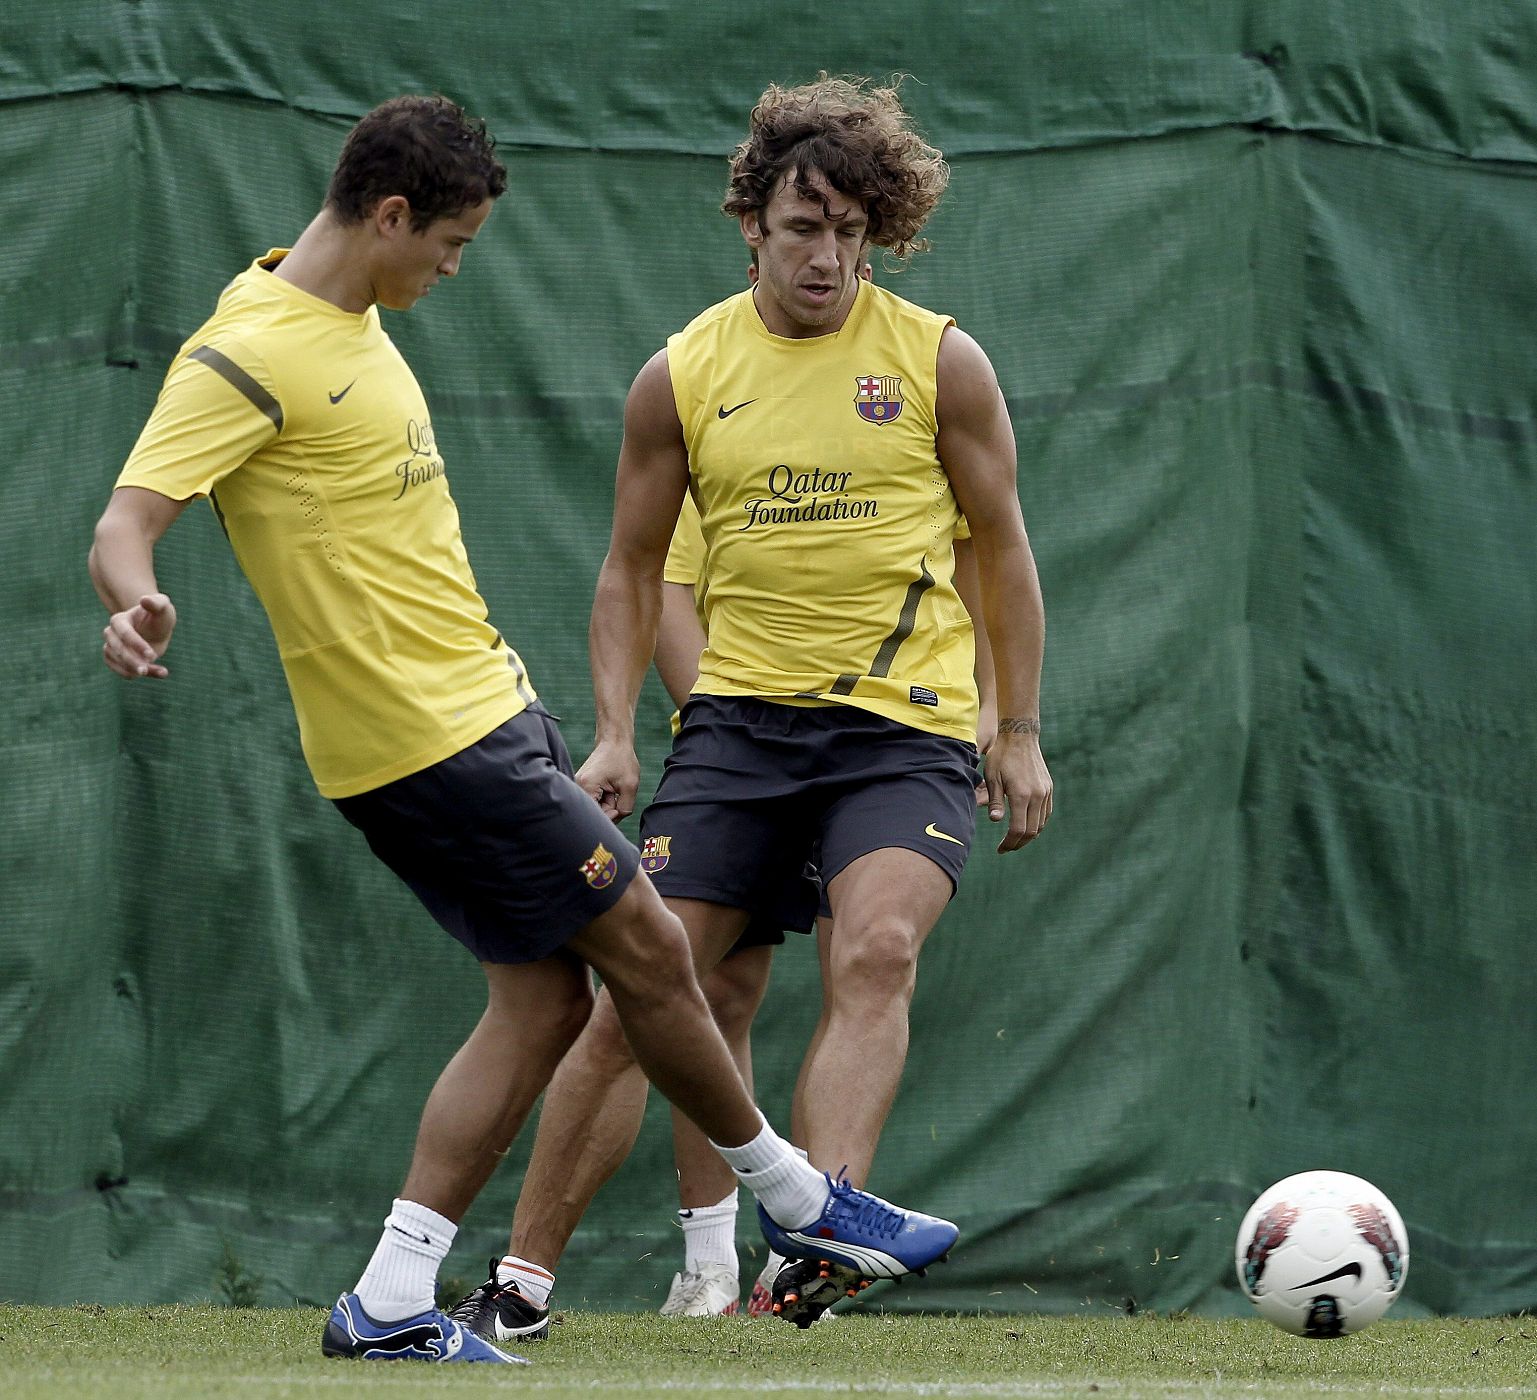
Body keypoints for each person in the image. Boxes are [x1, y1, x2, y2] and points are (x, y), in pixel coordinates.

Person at [86, 93, 959, 1367]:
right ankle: (805, 1204)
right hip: (428, 740)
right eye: (449, 243)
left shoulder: (345, 315)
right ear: (389, 215)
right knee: (656, 955)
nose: (453, 266)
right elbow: (126, 517)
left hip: (480, 721)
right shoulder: (249, 350)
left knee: (544, 998)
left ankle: (391, 1298)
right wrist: (135, 598)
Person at [449, 72, 1051, 1339]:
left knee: (876, 948)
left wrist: (1018, 729)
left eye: (849, 232)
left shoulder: (940, 361)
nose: (825, 256)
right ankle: (522, 1282)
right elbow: (627, 567)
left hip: (905, 728)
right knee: (638, 993)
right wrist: (615, 728)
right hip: (737, 727)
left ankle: (805, 1262)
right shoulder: (682, 372)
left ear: (876, 233)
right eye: (801, 229)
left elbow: (1001, 548)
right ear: (751, 225)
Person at [655, 479, 999, 1322]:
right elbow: (662, 592)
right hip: (744, 743)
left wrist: (997, 713)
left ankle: (808, 1261)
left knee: (875, 951)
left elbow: (979, 564)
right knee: (707, 990)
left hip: (891, 742)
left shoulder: (913, 415)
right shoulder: (712, 395)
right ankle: (706, 1266)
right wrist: (729, 725)